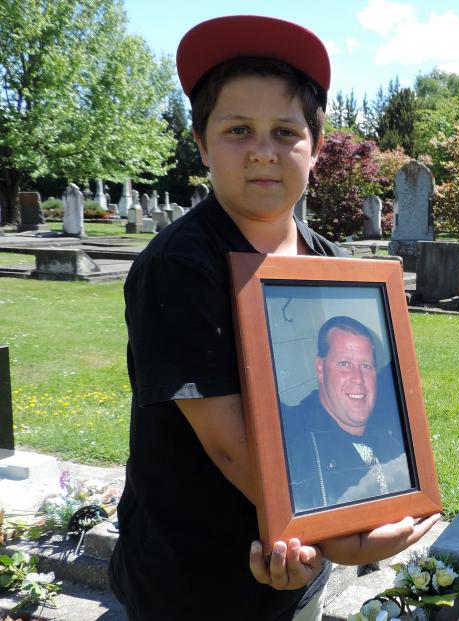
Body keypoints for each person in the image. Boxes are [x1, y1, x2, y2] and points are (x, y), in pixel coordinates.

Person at [108, 15, 438, 621]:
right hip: (191, 572)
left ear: (314, 148)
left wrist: (367, 505)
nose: (263, 149)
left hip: (296, 563)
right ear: (202, 144)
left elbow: (365, 413)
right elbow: (229, 444)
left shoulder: (332, 263)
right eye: (238, 129)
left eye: (286, 130)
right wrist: (339, 534)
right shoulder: (181, 266)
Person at [282, 316, 410, 511]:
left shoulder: (397, 432)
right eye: (344, 364)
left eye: (366, 366)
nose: (358, 378)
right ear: (320, 368)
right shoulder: (293, 447)